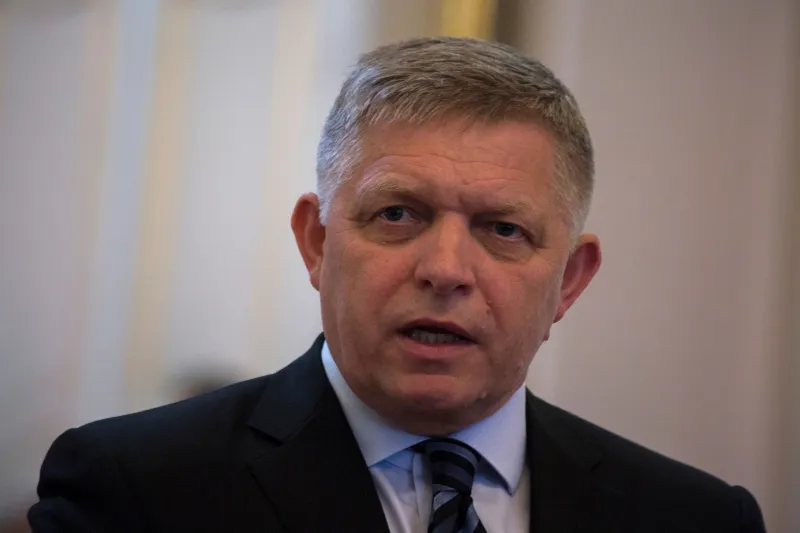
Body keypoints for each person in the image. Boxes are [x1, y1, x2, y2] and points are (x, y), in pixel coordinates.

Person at [28, 37, 766, 533]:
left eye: (503, 229)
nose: (444, 270)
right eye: (397, 214)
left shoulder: (695, 518)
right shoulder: (131, 490)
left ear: (569, 281)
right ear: (316, 243)